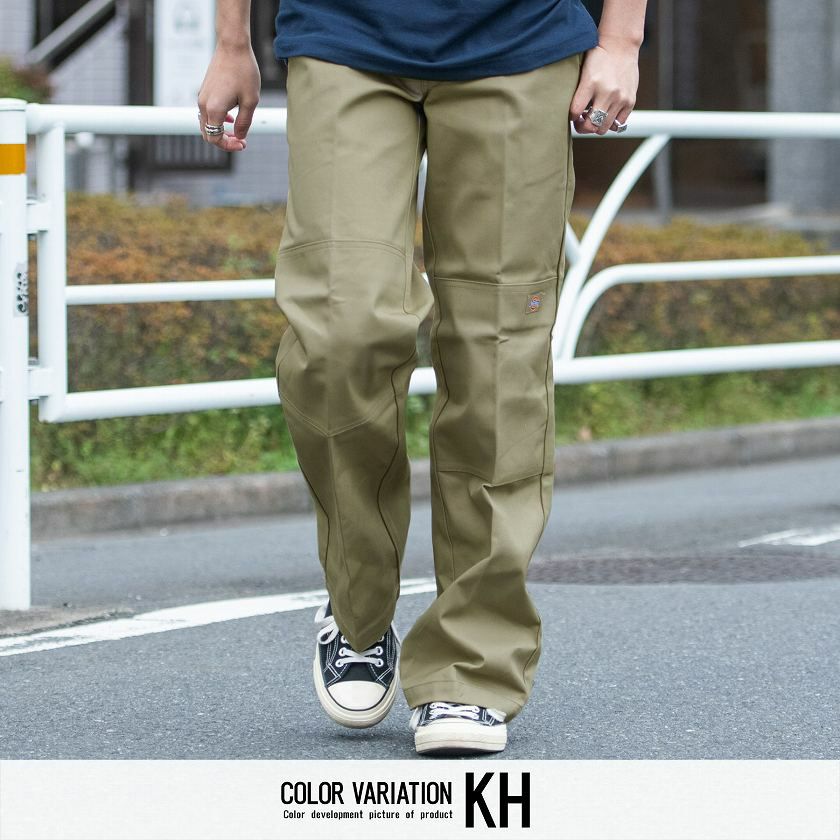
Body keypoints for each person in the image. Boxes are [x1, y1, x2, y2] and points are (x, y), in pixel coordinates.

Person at [198, 0, 647, 756]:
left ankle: (471, 665)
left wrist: (622, 38)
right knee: (339, 333)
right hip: (344, 34)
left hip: (522, 39)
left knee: (498, 356)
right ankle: (357, 606)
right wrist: (230, 40)